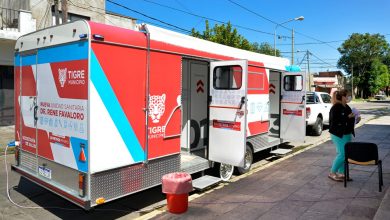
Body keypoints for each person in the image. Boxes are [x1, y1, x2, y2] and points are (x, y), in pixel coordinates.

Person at [328, 89, 356, 181]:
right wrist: (347, 117)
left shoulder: (346, 107)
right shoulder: (336, 107)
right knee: (342, 154)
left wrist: (355, 118)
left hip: (347, 133)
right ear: (343, 97)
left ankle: (341, 173)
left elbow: (349, 119)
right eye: (348, 95)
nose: (349, 97)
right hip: (338, 134)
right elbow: (335, 122)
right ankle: (332, 173)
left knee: (345, 154)